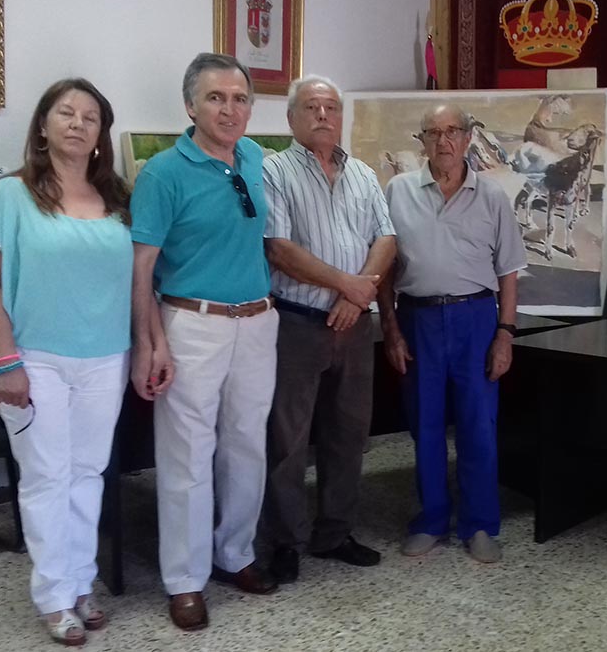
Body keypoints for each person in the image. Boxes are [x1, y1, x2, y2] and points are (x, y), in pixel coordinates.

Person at [0, 78, 132, 646]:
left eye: (91, 117)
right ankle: (54, 597)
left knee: (88, 474)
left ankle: (82, 582)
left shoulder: (118, 200)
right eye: (66, 113)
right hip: (34, 359)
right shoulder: (10, 196)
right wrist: (7, 362)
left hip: (105, 358)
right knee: (46, 477)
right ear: (43, 124)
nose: (78, 124)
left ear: (101, 133)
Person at [129, 52, 279, 631]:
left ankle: (234, 553)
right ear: (190, 105)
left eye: (240, 98)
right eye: (216, 98)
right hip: (191, 324)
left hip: (257, 322)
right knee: (187, 456)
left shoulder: (255, 156)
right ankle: (185, 580)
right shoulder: (164, 173)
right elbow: (142, 268)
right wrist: (150, 343)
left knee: (247, 445)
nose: (230, 108)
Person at [378, 104, 527, 564]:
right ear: (422, 140)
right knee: (424, 425)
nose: (444, 141)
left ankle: (480, 524)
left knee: (478, 426)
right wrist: (390, 327)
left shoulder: (493, 197)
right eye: (434, 132)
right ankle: (432, 520)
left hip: (476, 320)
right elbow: (382, 269)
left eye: (453, 132)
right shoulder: (396, 192)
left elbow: (509, 271)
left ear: (467, 138)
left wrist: (505, 333)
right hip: (417, 320)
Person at [262, 75, 396, 582]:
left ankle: (335, 532)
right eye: (312, 107)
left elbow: (386, 238)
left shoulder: (362, 173)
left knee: (348, 434)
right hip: (297, 325)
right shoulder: (274, 170)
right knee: (288, 439)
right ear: (292, 117)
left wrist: (353, 296)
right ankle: (285, 541)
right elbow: (279, 247)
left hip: (353, 327)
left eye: (332, 107)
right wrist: (351, 286)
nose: (323, 115)